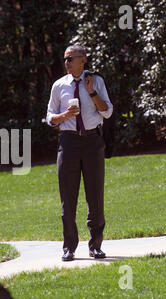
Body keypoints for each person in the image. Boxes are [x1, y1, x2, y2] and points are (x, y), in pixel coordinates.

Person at [45, 45, 113, 261]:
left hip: (93, 141)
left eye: (70, 58)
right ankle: (69, 247)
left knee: (95, 196)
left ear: (82, 60)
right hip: (68, 142)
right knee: (68, 197)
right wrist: (65, 115)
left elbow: (107, 112)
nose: (66, 63)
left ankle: (96, 246)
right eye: (65, 59)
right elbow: (49, 117)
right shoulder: (59, 86)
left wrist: (91, 92)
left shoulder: (96, 81)